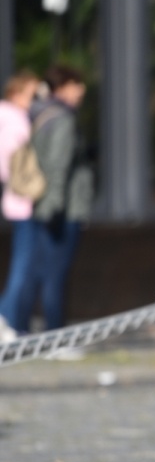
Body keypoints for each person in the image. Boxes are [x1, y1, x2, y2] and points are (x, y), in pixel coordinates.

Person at [21, 62, 93, 334]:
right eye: (76, 84)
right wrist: (54, 208)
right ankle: (56, 336)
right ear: (61, 88)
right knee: (56, 275)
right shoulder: (63, 119)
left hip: (46, 206)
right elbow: (58, 167)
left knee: (43, 272)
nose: (81, 89)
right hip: (63, 209)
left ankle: (33, 329)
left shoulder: (40, 115)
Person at [0, 70, 39, 340]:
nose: (34, 100)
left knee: (27, 265)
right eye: (30, 94)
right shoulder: (11, 117)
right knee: (22, 265)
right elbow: (9, 163)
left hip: (22, 200)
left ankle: (16, 321)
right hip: (22, 200)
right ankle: (7, 319)